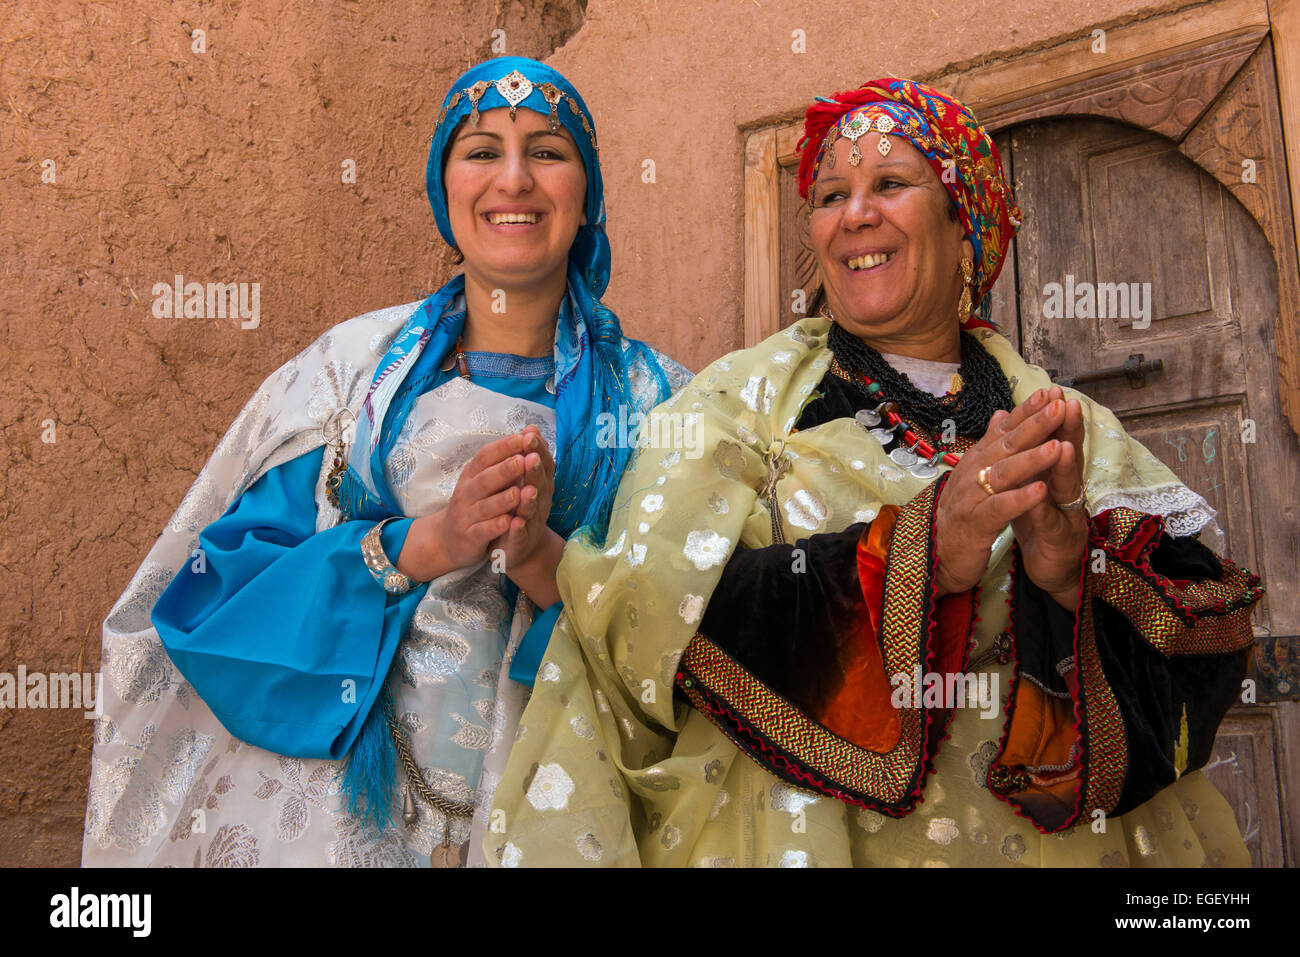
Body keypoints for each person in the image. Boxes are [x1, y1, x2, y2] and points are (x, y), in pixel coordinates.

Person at [484, 78, 1262, 867]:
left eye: (890, 183)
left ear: (965, 228)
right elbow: (644, 616)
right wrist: (923, 551)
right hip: (808, 834)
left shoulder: (1062, 424)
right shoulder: (742, 402)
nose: (854, 214)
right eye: (829, 195)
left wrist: (1068, 576)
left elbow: (1213, 637)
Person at [82, 56, 690, 868]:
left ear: (589, 197)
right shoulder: (347, 376)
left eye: (548, 150)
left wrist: (542, 555)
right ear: (445, 190)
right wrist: (426, 543)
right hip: (332, 820)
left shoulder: (661, 405)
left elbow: (692, 649)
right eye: (480, 151)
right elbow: (217, 593)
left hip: (556, 818)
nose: (514, 179)